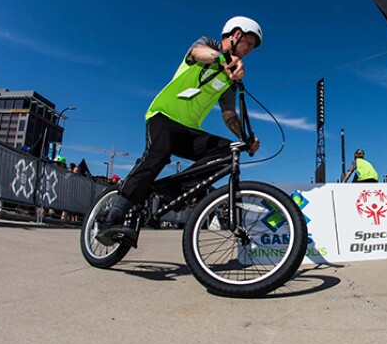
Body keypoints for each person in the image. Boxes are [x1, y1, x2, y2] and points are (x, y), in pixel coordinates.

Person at [96, 16, 263, 246]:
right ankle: (112, 216)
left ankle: (172, 190)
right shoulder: (208, 46)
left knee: (227, 152)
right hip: (163, 117)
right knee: (158, 155)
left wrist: (245, 138)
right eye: (249, 44)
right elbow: (196, 53)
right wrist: (223, 57)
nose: (250, 51)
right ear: (236, 35)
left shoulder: (230, 79)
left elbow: (229, 114)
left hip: (189, 130)